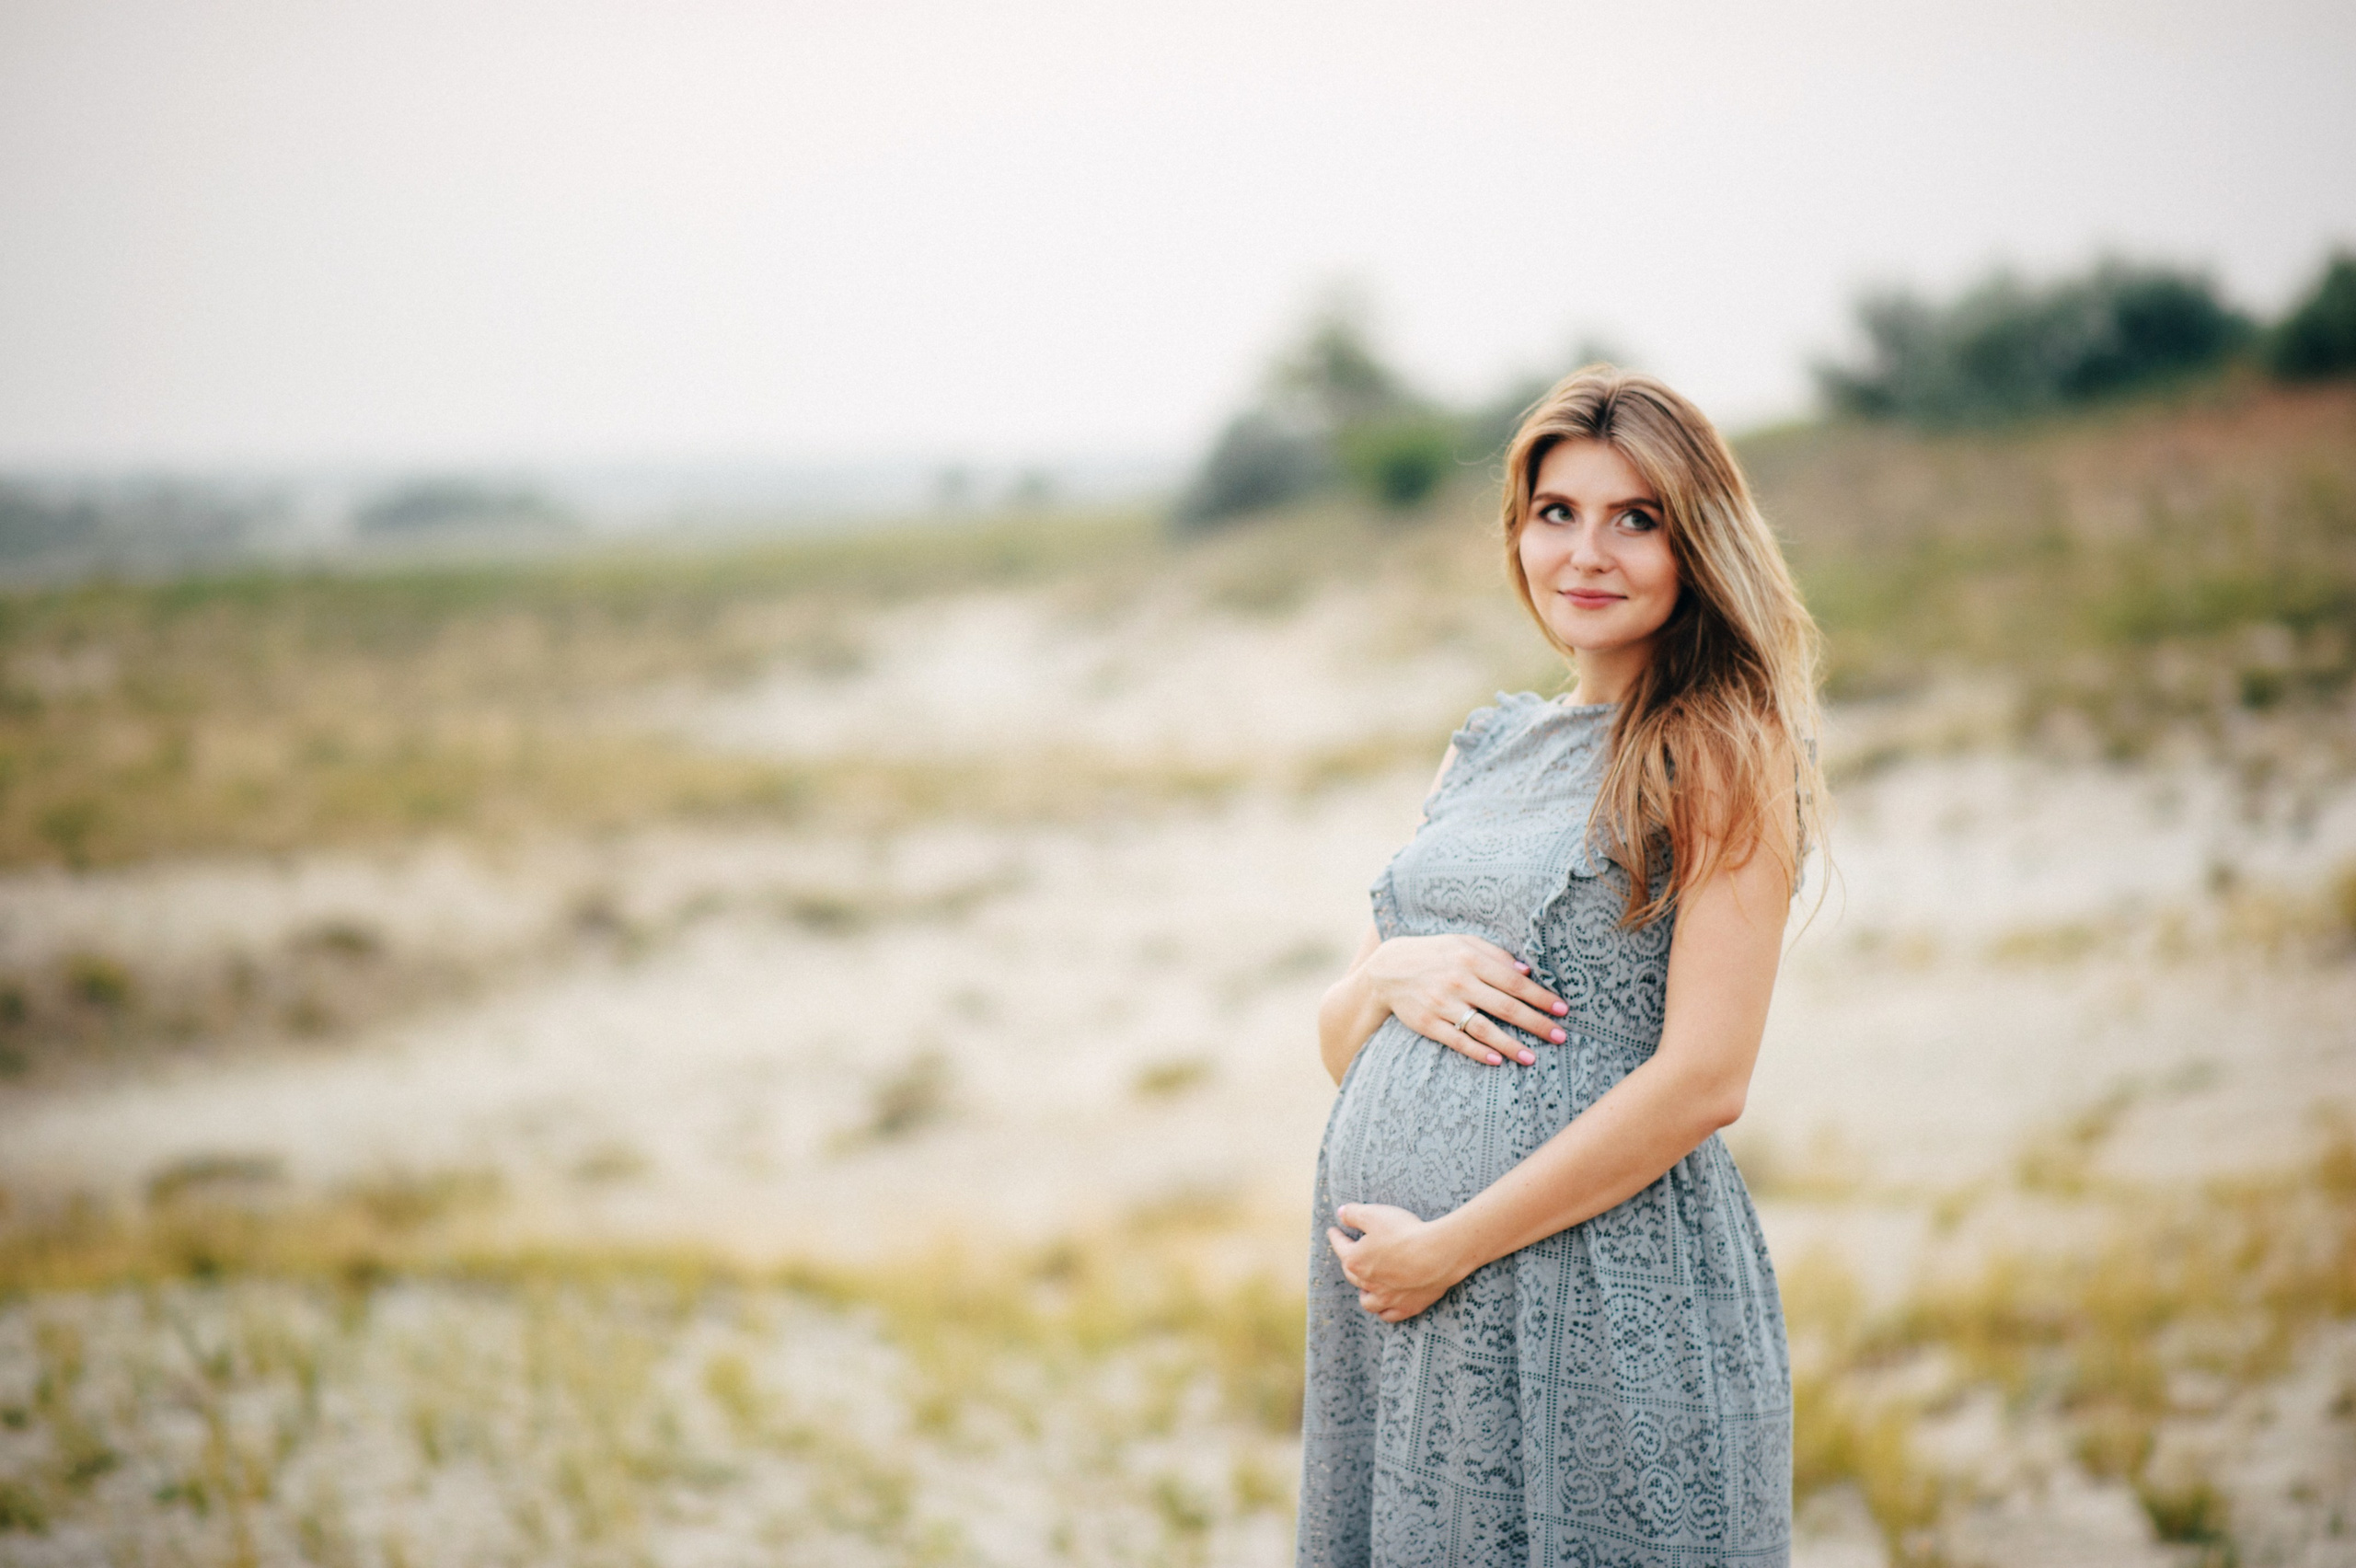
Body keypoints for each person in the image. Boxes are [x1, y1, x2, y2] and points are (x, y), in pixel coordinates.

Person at [1298, 366, 1825, 1566]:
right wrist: (1389, 976)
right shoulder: (1483, 748)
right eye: (1557, 513)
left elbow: (1706, 1081)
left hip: (1587, 1292)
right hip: (1407, 1305)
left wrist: (1452, 1245)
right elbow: (1340, 1048)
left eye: (1634, 518)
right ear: (1519, 532)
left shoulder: (1718, 752)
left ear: (1696, 545)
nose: (1587, 552)